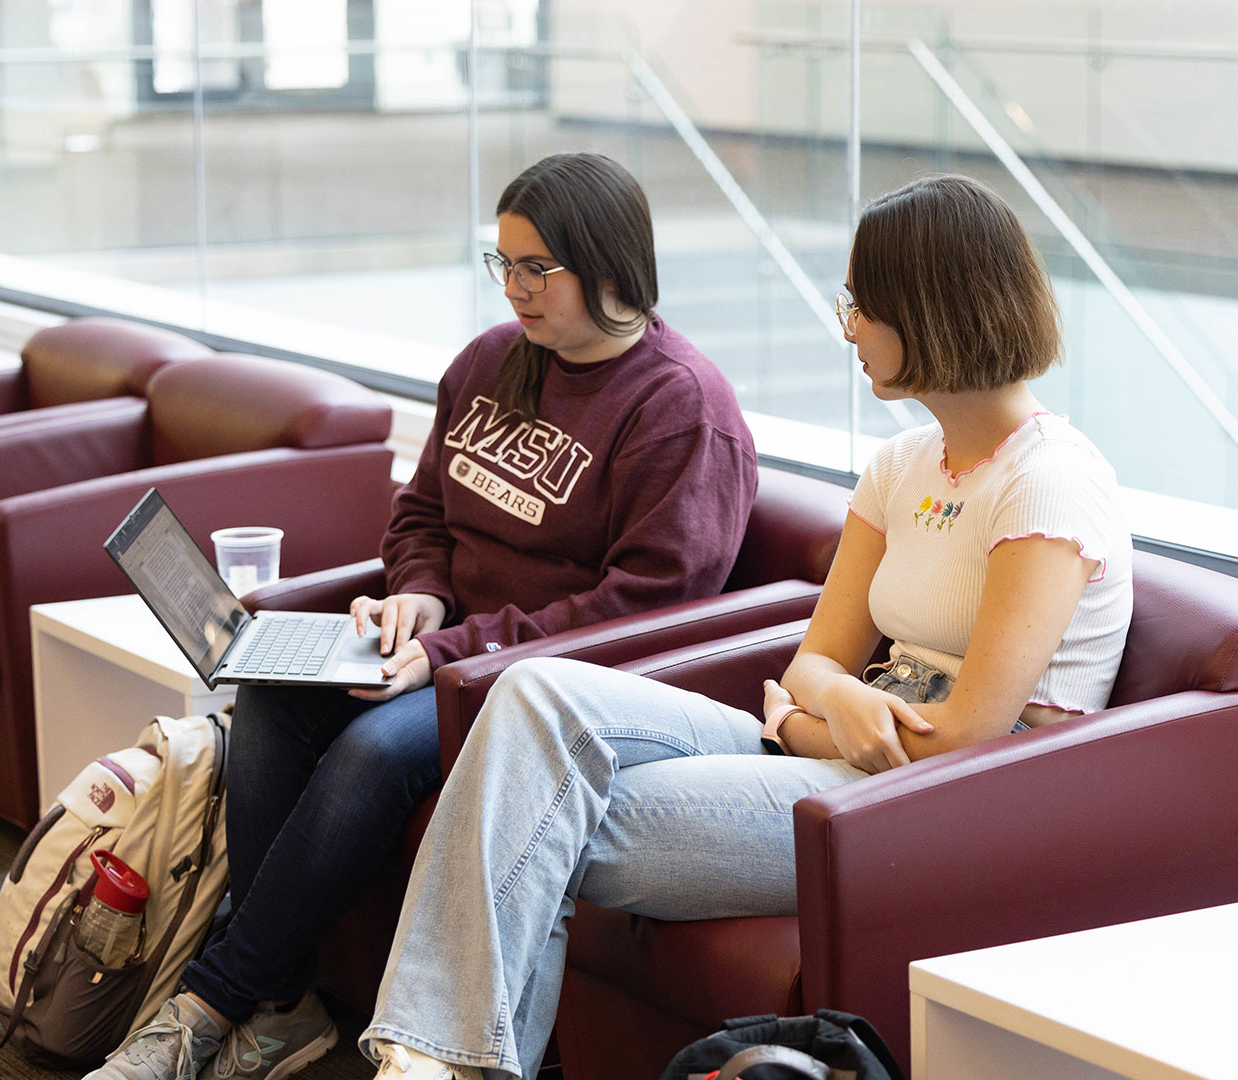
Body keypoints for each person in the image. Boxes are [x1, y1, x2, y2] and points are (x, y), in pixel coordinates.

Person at [354, 173, 1136, 1080]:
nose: (847, 328)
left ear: (931, 311)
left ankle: (424, 1065)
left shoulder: (1048, 485)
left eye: (863, 306)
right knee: (532, 696)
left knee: (526, 812)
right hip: (840, 750)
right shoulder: (902, 465)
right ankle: (436, 1063)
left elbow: (967, 737)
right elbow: (815, 664)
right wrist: (829, 707)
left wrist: (817, 712)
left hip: (933, 811)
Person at [85, 152, 758, 1080]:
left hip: (540, 692)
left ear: (609, 270)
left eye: (536, 269)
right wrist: (419, 594)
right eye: (503, 263)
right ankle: (279, 1009)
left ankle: (210, 1006)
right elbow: (422, 511)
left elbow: (647, 608)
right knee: (273, 697)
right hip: (439, 645)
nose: (514, 290)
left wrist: (451, 648)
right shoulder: (493, 361)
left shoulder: (681, 410)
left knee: (371, 749)